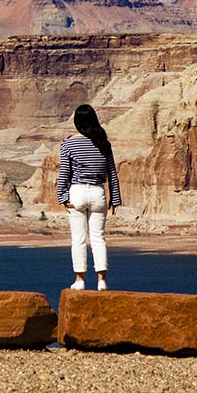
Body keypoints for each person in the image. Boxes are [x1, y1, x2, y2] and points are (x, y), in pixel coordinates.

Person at [56, 103, 121, 291]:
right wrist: (115, 199)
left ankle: (80, 280)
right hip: (98, 192)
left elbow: (64, 173)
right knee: (99, 237)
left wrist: (62, 196)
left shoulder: (68, 143)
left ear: (77, 122)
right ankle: (101, 280)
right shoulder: (103, 142)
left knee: (78, 239)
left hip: (77, 192)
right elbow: (112, 173)